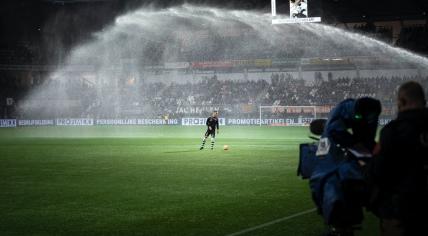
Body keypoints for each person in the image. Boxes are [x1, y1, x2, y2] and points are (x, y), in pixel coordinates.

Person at [310, 97, 381, 236]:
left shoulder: (334, 124)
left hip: (332, 182)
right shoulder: (336, 122)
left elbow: (361, 141)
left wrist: (362, 149)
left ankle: (340, 226)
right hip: (339, 180)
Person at [368, 81, 428, 236]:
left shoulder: (392, 131)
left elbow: (380, 172)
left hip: (400, 210)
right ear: (425, 102)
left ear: (401, 102)